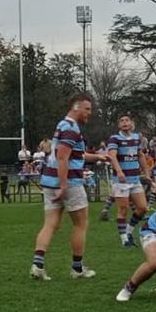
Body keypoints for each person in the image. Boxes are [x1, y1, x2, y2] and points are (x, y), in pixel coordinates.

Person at [28, 93, 108, 281]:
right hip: (68, 183)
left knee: (50, 224)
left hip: (49, 180)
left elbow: (71, 154)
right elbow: (63, 157)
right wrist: (63, 185)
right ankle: (77, 268)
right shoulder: (72, 128)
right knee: (81, 224)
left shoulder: (62, 125)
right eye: (87, 109)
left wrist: (97, 157)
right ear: (76, 107)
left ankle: (37, 265)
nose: (90, 113)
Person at [103, 114, 149, 247]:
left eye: (127, 120)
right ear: (119, 125)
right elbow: (112, 156)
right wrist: (119, 171)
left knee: (142, 208)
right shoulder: (114, 138)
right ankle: (124, 239)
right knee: (123, 209)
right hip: (121, 180)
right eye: (121, 120)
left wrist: (146, 172)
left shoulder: (136, 138)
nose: (124, 122)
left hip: (134, 179)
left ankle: (128, 232)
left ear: (131, 123)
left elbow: (140, 155)